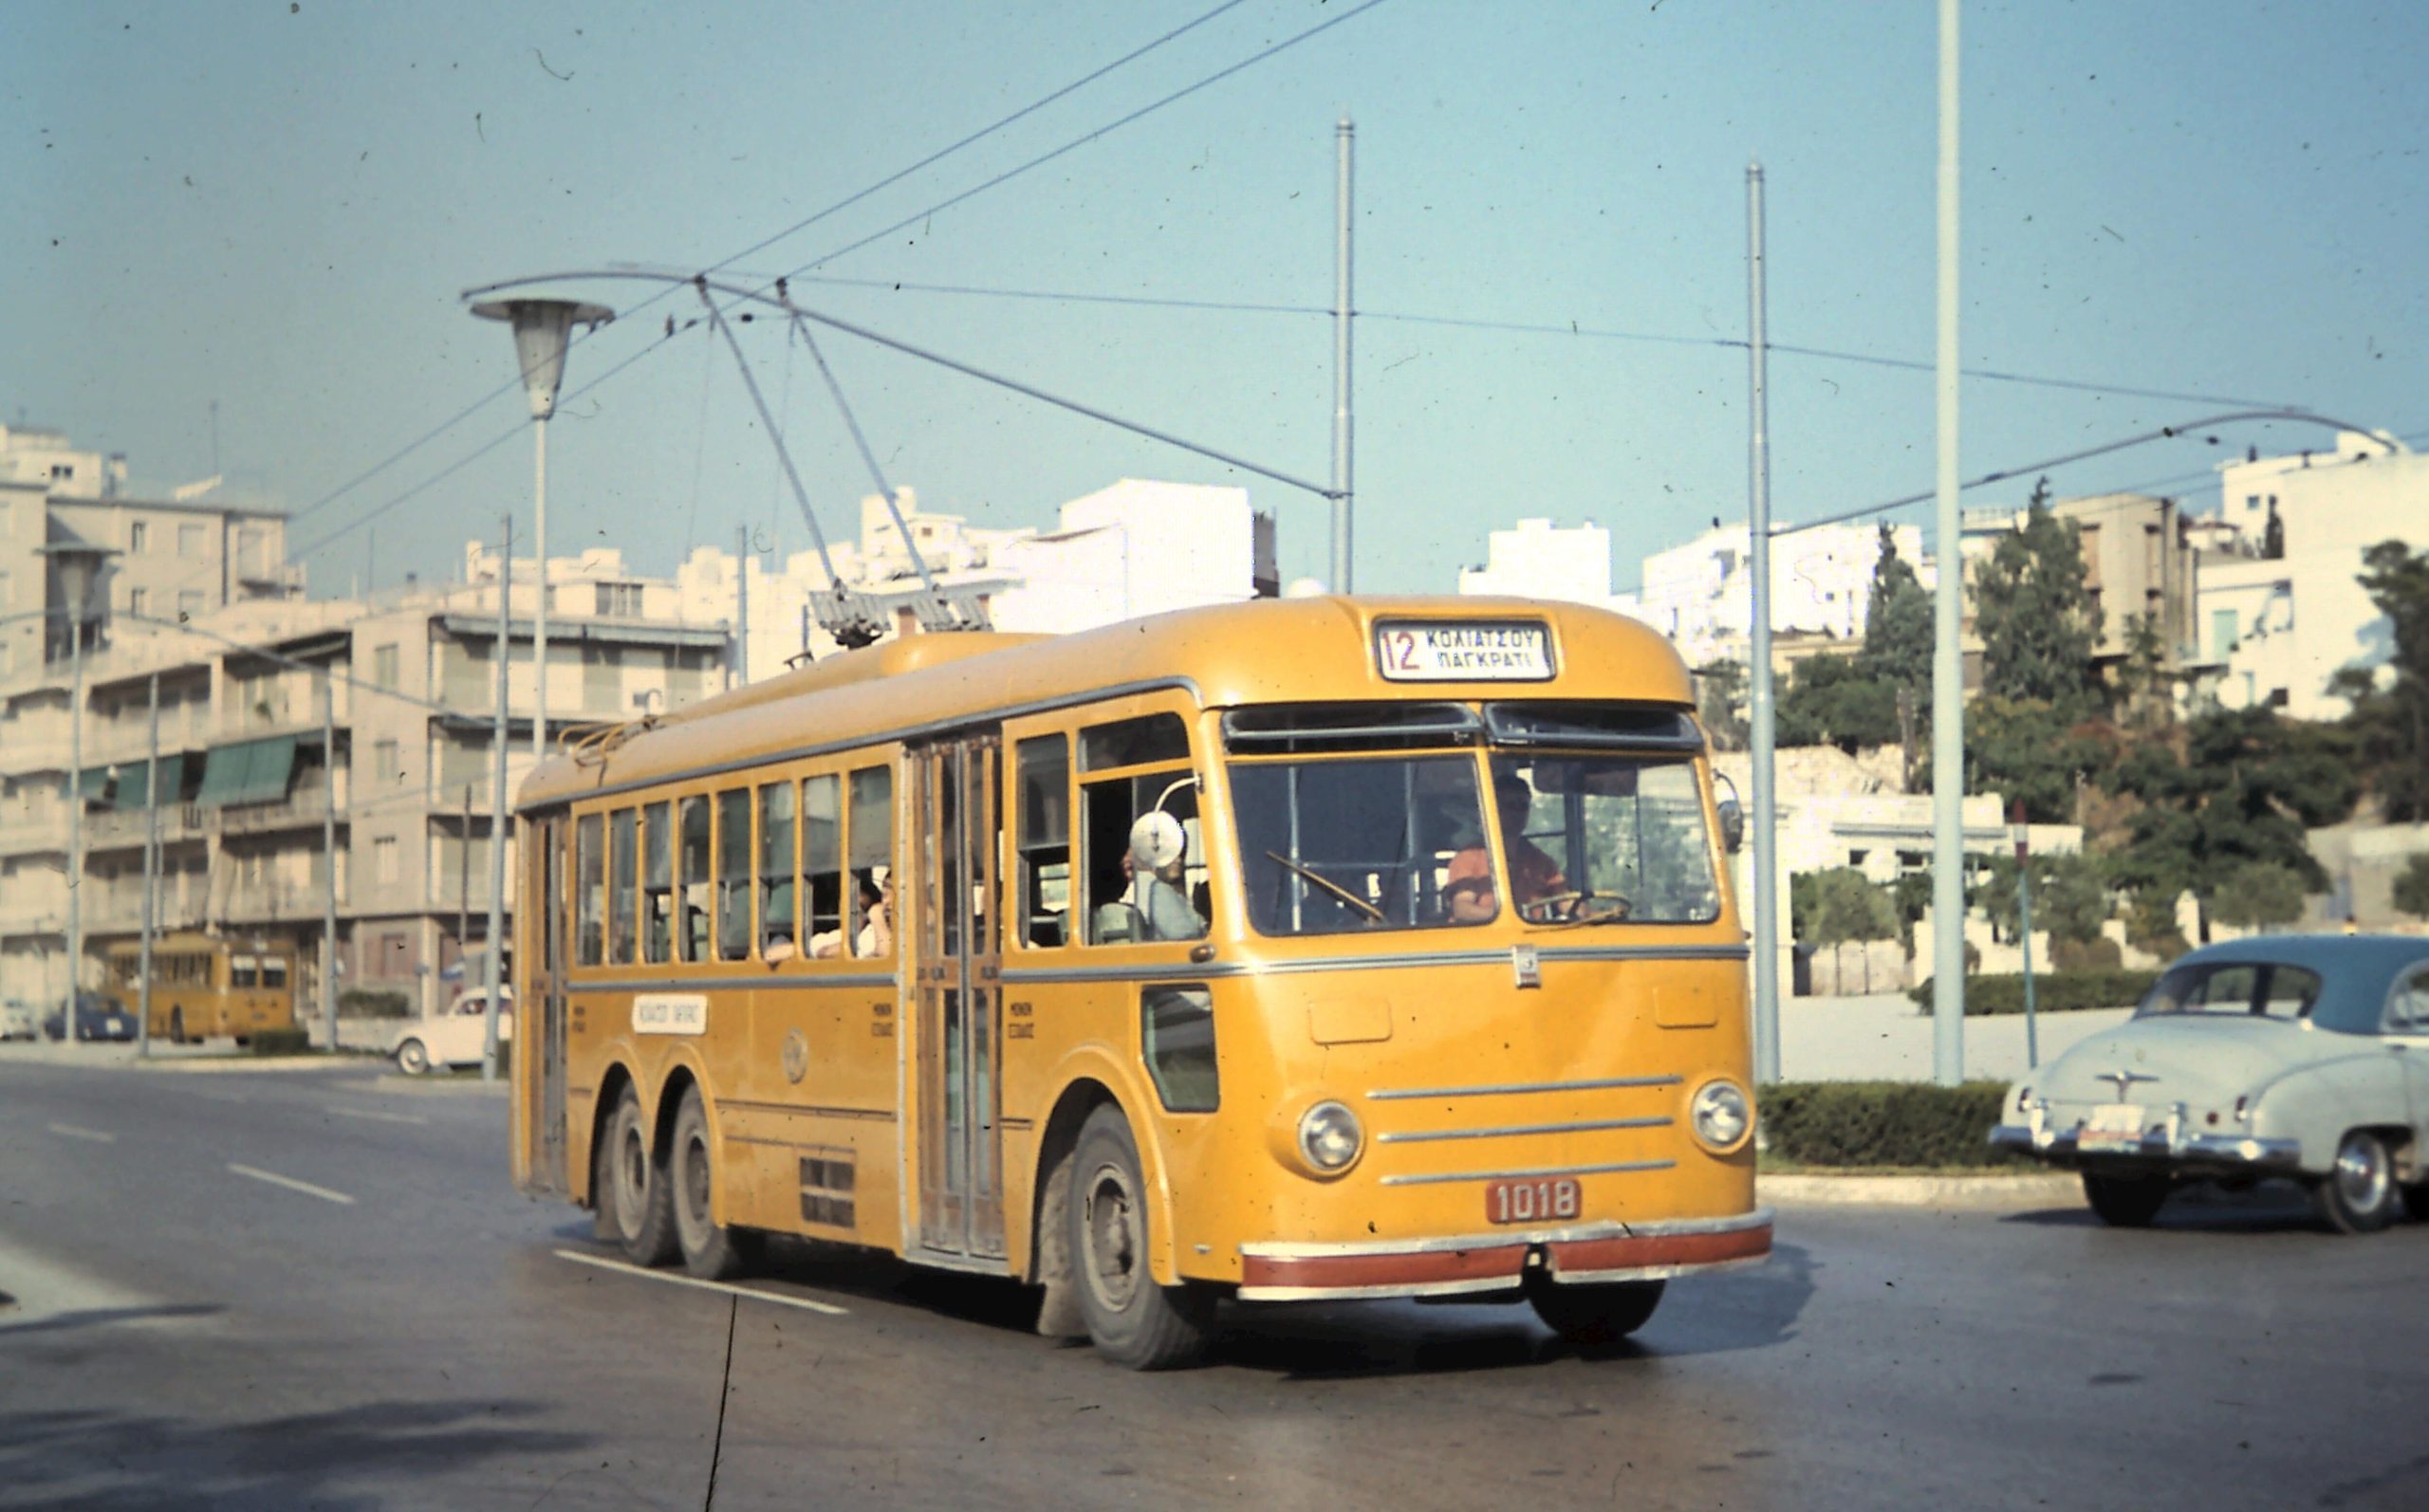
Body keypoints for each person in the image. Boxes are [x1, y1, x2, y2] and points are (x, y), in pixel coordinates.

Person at [1442, 775, 1565, 923]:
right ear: (1493, 809)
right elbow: (1463, 909)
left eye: (1523, 806)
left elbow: (1567, 901)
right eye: (1510, 805)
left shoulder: (1540, 860)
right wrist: (1507, 917)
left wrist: (1594, 916)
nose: (1517, 813)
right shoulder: (1468, 858)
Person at [1125, 811, 1206, 942]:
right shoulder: (1156, 889)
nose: (1179, 860)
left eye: (1182, 853)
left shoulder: (1138, 887)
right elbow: (1184, 936)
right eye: (1171, 852)